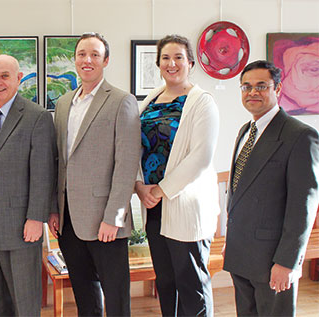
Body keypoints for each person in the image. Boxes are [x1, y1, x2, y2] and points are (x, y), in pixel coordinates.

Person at [47, 32, 140, 316]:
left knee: (115, 296)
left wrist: (114, 217)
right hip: (68, 219)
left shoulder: (122, 101)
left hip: (105, 221)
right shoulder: (63, 104)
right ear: (75, 60)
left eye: (95, 55)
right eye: (82, 54)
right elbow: (58, 161)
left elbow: (126, 163)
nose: (87, 60)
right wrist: (54, 209)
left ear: (105, 60)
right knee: (84, 294)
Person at [224, 60, 319, 316]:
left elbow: (303, 206)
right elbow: (239, 191)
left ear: (277, 89)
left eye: (261, 86)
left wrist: (287, 262)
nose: (252, 92)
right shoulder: (246, 130)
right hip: (241, 254)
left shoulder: (300, 136)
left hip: (273, 260)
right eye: (246, 87)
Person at [134, 34, 220, 317]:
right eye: (165, 58)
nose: (172, 63)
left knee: (191, 284)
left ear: (190, 63)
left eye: (178, 57)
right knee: (167, 283)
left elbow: (200, 157)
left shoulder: (201, 102)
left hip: (186, 208)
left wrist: (160, 190)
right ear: (158, 64)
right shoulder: (151, 99)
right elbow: (137, 146)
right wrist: (140, 187)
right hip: (155, 208)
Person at [0, 54, 56, 316]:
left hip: (20, 227)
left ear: (19, 78)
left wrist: (35, 218)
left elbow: (43, 173)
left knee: (24, 302)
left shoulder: (36, 116)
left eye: (5, 76)